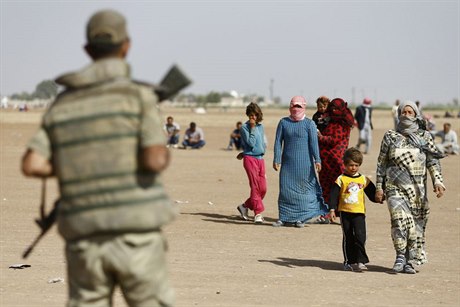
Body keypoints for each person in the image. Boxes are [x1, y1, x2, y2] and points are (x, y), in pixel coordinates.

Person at [21, 9, 176, 306]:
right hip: (136, 235)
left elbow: (32, 164)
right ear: (126, 46)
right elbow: (155, 160)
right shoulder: (140, 97)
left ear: (87, 50)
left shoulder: (63, 103)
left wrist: (80, 163)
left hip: (84, 237)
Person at [375, 101, 446, 274]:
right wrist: (379, 186)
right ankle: (400, 256)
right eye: (403, 112)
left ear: (416, 114)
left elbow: (432, 161)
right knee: (399, 220)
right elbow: (381, 163)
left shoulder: (424, 137)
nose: (406, 115)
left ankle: (409, 259)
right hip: (394, 187)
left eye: (410, 112)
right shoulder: (390, 136)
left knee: (414, 225)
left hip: (417, 190)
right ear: (399, 114)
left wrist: (438, 181)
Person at [272, 96, 328, 227]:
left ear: (304, 107)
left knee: (304, 192)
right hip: (288, 165)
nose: (296, 109)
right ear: (290, 107)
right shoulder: (283, 123)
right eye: (294, 106)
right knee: (286, 190)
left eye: (299, 106)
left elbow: (314, 144)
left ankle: (300, 218)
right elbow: (277, 142)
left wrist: (317, 160)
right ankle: (283, 217)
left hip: (305, 166)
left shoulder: (309, 124)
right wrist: (276, 159)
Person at [329, 148, 380, 271]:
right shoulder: (341, 179)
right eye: (351, 165)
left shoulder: (363, 179)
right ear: (345, 164)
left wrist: (379, 198)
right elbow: (333, 195)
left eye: (356, 165)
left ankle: (361, 261)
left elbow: (372, 193)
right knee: (348, 237)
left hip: (359, 213)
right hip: (345, 213)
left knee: (360, 236)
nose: (353, 168)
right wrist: (332, 210)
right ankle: (348, 261)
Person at [318, 98, 354, 211]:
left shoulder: (343, 123)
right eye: (332, 108)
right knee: (326, 186)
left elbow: (334, 139)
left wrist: (320, 137)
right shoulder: (329, 120)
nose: (334, 110)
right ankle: (328, 211)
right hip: (325, 161)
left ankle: (342, 210)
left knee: (339, 186)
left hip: (336, 161)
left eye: (336, 108)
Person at [236, 102, 267, 224]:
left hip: (260, 159)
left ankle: (244, 206)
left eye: (255, 115)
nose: (252, 118)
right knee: (255, 187)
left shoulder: (261, 127)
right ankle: (258, 214)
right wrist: (252, 128)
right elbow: (251, 143)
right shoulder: (244, 127)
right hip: (250, 160)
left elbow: (261, 144)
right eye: (250, 115)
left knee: (263, 188)